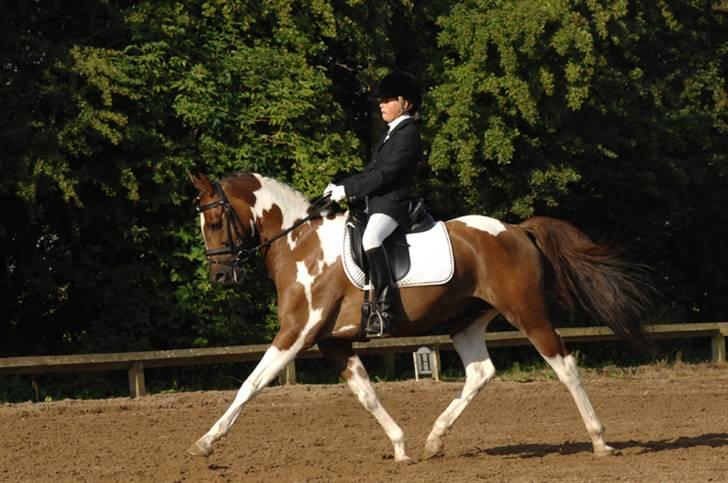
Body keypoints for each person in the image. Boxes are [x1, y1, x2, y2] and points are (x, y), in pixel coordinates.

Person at [324, 70, 423, 337]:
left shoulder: (408, 134)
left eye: (388, 99)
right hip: (376, 204)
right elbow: (370, 173)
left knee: (371, 240)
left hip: (392, 205)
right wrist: (340, 186)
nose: (381, 103)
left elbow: (385, 175)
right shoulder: (391, 134)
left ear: (406, 103)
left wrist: (349, 190)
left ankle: (384, 310)